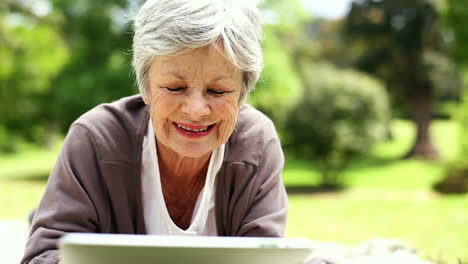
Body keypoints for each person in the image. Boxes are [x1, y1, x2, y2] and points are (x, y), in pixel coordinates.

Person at [21, 0, 288, 263]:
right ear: (146, 87)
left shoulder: (257, 144)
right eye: (174, 88)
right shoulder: (95, 138)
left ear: (242, 94)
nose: (196, 110)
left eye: (218, 91)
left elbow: (268, 256)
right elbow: (43, 256)